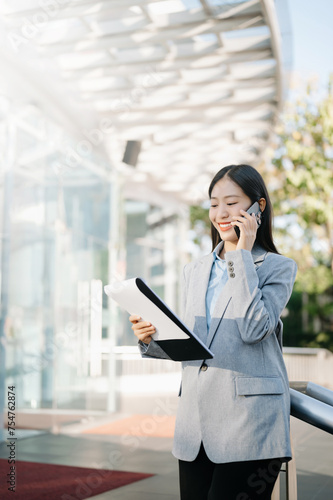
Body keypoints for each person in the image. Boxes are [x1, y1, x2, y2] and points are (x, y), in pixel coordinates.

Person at [129, 164, 297, 500]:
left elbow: (253, 329)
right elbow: (196, 344)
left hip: (252, 427)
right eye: (213, 203)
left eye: (232, 202)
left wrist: (242, 255)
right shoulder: (196, 270)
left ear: (257, 207)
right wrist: (150, 339)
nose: (220, 213)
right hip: (196, 427)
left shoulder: (278, 267)